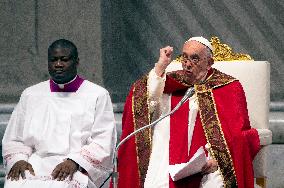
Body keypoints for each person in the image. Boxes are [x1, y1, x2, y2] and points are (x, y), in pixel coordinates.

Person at [116, 37, 260, 188]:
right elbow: (142, 100)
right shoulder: (170, 81)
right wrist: (160, 66)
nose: (187, 64)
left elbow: (238, 135)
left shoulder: (228, 87)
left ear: (209, 63)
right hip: (166, 159)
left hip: (209, 165)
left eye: (195, 58)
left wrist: (216, 160)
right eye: (184, 57)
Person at [2, 39, 117, 188]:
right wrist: (18, 160)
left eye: (64, 60)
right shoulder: (31, 95)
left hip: (76, 164)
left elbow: (103, 141)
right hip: (36, 161)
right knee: (14, 183)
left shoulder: (97, 95)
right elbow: (14, 138)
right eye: (53, 60)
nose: (58, 65)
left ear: (77, 62)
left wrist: (75, 162)